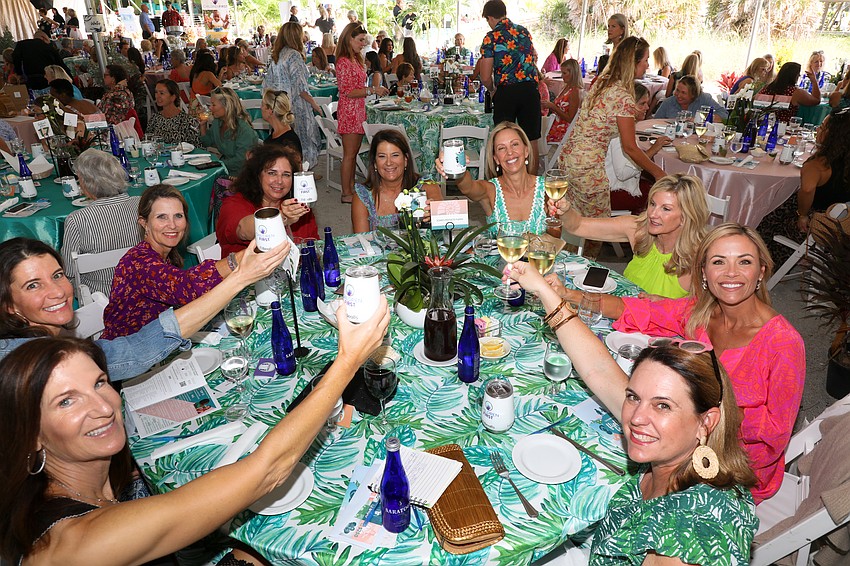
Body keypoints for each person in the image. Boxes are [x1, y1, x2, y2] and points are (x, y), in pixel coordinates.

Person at [0, 298, 389, 563]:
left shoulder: (59, 490)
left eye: (100, 383)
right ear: (29, 430)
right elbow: (266, 471)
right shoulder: (79, 545)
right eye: (66, 401)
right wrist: (347, 362)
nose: (103, 407)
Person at [507, 259, 759, 564]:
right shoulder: (675, 450)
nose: (636, 418)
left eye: (662, 405)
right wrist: (545, 292)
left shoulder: (684, 537)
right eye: (633, 397)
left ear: (705, 421)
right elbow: (599, 368)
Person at [548, 224, 805, 503]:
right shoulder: (701, 312)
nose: (731, 273)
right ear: (704, 273)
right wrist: (569, 296)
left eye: (744, 262)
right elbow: (639, 310)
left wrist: (706, 412)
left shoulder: (783, 343)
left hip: (732, 467)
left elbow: (775, 435)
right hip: (678, 432)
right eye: (719, 262)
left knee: (609, 475)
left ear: (761, 271)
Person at [0, 237, 288, 380]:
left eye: (58, 275)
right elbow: (135, 351)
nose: (57, 292)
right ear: (9, 306)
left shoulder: (47, 338)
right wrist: (240, 276)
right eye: (33, 286)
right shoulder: (35, 360)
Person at [558, 36, 666, 257]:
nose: (647, 64)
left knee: (573, 223)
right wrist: (658, 173)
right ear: (632, 62)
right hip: (587, 168)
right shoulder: (623, 96)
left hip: (569, 159)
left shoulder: (603, 82)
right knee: (599, 230)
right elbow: (630, 148)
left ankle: (565, 267)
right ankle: (583, 272)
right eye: (645, 59)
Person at [103, 184, 250, 339]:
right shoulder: (138, 262)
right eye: (162, 217)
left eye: (178, 216)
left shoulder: (165, 256)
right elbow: (185, 287)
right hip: (126, 353)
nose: (172, 225)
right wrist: (237, 260)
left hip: (157, 343)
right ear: (144, 222)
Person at [559, 174, 707, 298]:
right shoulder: (638, 229)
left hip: (660, 330)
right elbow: (577, 225)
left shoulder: (699, 256)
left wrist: (666, 304)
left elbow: (707, 312)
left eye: (666, 209)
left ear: (686, 216)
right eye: (652, 204)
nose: (653, 214)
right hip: (622, 315)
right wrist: (565, 211)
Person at [758, 112, 850, 265]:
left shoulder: (819, 164)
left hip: (819, 226)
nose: (818, 131)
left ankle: (767, 261)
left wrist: (802, 215)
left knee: (766, 213)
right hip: (842, 225)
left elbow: (807, 190)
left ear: (833, 135)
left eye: (821, 127)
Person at [436, 121, 558, 237]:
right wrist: (456, 166)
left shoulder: (548, 189)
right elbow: (468, 187)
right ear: (496, 159)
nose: (510, 152)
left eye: (515, 144)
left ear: (526, 151)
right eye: (501, 148)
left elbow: (557, 236)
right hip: (502, 259)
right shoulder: (490, 190)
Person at [60, 150, 142, 298]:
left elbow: (69, 270)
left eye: (79, 180)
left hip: (101, 296)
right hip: (144, 285)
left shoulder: (77, 219)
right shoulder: (141, 204)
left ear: (86, 183)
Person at [216, 144, 317, 253]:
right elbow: (243, 230)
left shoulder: (296, 207)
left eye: (286, 175)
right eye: (272, 173)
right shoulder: (234, 204)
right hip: (246, 268)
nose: (279, 181)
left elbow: (314, 244)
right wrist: (282, 217)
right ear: (257, 175)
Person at [480, 0, 542, 172]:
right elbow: (533, 59)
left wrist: (492, 90)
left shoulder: (491, 37)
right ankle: (533, 186)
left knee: (502, 139)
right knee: (531, 139)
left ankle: (505, 186)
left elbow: (485, 76)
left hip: (506, 91)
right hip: (530, 90)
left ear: (490, 17)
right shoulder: (524, 31)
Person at [336, 22, 390, 204]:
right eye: (359, 40)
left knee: (354, 153)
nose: (362, 44)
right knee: (349, 155)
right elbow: (348, 91)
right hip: (350, 110)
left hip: (358, 109)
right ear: (349, 38)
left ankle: (350, 187)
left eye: (363, 40)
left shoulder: (356, 59)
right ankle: (345, 192)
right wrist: (372, 90)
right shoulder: (343, 61)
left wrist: (369, 90)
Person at [352, 129, 442, 233]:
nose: (389, 163)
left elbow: (443, 229)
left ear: (405, 160)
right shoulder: (363, 197)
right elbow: (363, 242)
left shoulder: (426, 187)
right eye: (382, 156)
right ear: (375, 163)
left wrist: (435, 213)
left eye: (395, 155)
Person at [606, 83, 673, 215]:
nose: (647, 108)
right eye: (642, 104)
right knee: (663, 196)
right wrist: (652, 151)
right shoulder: (619, 134)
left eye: (647, 103)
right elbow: (623, 173)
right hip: (614, 191)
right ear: (628, 106)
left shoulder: (620, 127)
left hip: (614, 186)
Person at [264, 22, 324, 168]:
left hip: (281, 104)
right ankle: (303, 171)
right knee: (302, 140)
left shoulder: (278, 56)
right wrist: (314, 105)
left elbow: (267, 84)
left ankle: (291, 170)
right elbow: (301, 88)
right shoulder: (294, 56)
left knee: (285, 141)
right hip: (296, 105)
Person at [199, 86, 259, 175]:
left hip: (241, 175)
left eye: (213, 105)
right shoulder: (218, 122)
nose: (210, 108)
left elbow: (241, 161)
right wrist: (203, 126)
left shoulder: (244, 130)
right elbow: (207, 142)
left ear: (227, 106)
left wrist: (217, 164)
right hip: (225, 169)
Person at [147, 79, 201, 146]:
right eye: (156, 92)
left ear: (173, 97)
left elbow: (196, 145)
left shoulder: (186, 121)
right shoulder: (155, 118)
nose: (157, 96)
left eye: (161, 93)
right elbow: (147, 140)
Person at [544, 58, 583, 143]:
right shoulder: (566, 87)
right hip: (556, 123)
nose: (562, 76)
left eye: (564, 73)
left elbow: (570, 119)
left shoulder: (575, 92)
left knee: (537, 133)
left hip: (562, 129)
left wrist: (553, 106)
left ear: (573, 74)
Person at [655, 75, 728, 120]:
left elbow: (724, 115)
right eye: (677, 90)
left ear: (693, 94)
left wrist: (702, 118)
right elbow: (654, 122)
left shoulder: (704, 99)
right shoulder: (668, 102)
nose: (678, 95)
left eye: (683, 93)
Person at [261, 89, 303, 156]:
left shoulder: (288, 144)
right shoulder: (276, 133)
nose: (261, 108)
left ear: (270, 110)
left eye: (262, 105)